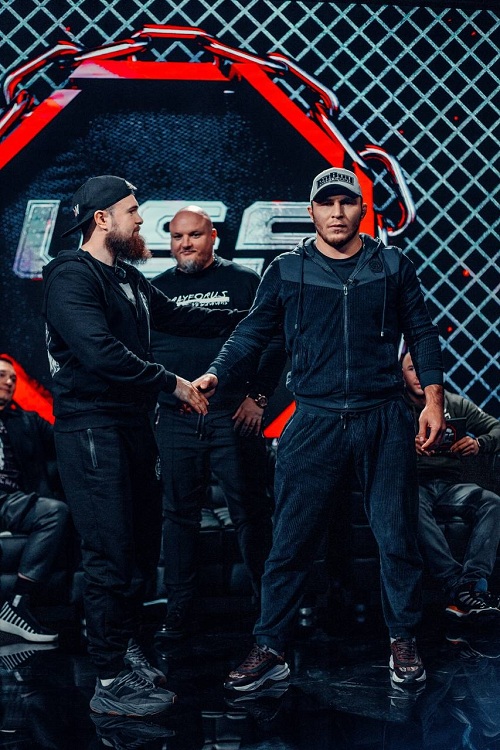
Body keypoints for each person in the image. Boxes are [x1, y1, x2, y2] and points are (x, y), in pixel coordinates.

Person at [195, 167, 446, 690]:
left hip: (383, 417)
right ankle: (270, 647)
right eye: (326, 203)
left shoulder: (392, 265)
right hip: (315, 420)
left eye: (346, 202)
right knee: (289, 542)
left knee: (396, 538)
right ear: (311, 212)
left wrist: (434, 400)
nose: (337, 212)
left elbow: (422, 334)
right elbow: (251, 332)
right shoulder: (288, 270)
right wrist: (218, 372)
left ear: (362, 210)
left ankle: (403, 639)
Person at [42, 175, 244, 717]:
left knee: (136, 550)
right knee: (109, 554)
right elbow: (99, 350)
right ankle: (109, 679)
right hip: (92, 430)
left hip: (132, 427)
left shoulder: (127, 277)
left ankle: (126, 650)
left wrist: (260, 315)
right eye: (132, 210)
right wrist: (171, 382)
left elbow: (181, 316)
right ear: (102, 218)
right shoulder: (70, 275)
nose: (139, 220)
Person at [151, 206, 286, 639]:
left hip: (233, 416)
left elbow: (275, 340)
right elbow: (144, 355)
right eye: (177, 237)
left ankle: (268, 612)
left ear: (213, 237)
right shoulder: (157, 290)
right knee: (178, 516)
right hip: (177, 419)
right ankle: (180, 611)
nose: (185, 244)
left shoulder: (245, 281)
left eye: (194, 235)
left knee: (251, 511)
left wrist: (258, 398)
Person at [402, 351, 500, 619]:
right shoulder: (394, 408)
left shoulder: (455, 404)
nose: (419, 375)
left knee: (492, 502)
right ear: (402, 374)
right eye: (411, 369)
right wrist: (404, 446)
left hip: (448, 486)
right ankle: (457, 585)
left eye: (423, 368)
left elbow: (496, 428)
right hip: (412, 484)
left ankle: (471, 583)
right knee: (409, 501)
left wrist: (479, 443)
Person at [0, 356, 69, 644]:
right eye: (2, 375)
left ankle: (17, 603)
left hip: (11, 500)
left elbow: (63, 440)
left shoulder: (26, 420)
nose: (9, 381)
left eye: (13, 378)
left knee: (55, 511)